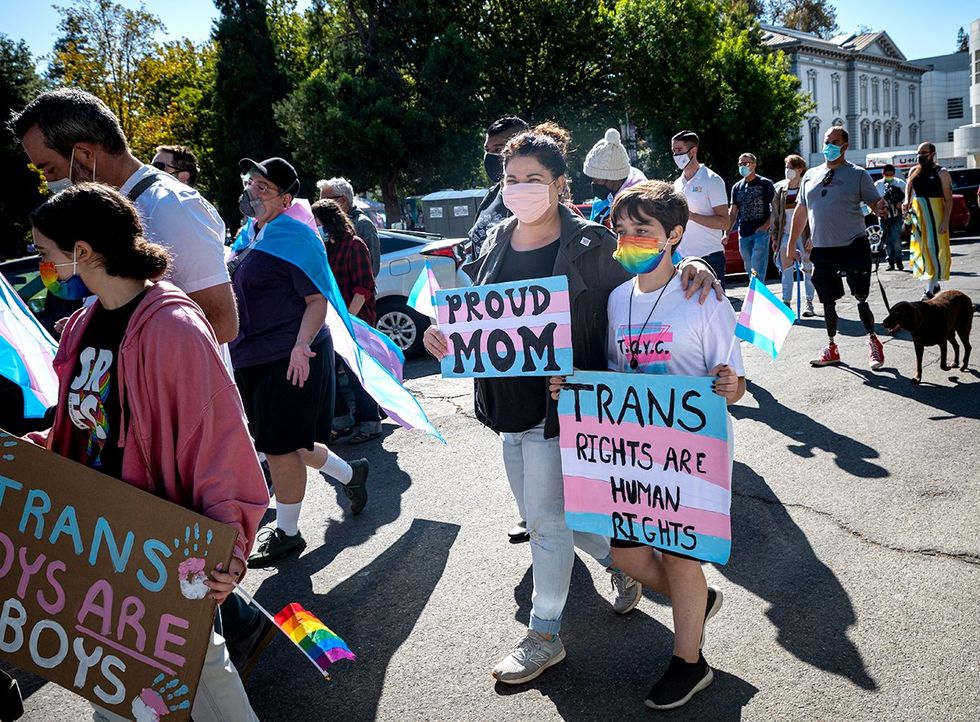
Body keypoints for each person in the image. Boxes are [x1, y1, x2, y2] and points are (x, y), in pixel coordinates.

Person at [423, 126, 721, 686]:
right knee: (558, 518)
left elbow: (645, 279)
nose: (519, 189)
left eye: (533, 179)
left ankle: (544, 635)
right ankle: (644, 577)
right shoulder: (492, 238)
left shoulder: (592, 243)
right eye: (511, 179)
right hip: (507, 407)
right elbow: (476, 316)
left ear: (560, 184)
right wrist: (445, 336)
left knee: (546, 524)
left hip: (571, 410)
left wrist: (688, 269)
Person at [27, 183, 269, 721]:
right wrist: (26, 460)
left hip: (158, 546)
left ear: (83, 251)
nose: (42, 262)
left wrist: (228, 547)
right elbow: (80, 430)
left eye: (46, 251)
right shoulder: (79, 326)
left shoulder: (174, 327)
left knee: (199, 673)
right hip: (96, 544)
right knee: (112, 686)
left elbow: (220, 443)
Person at [553, 179, 744, 710]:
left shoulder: (701, 295)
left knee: (681, 556)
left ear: (674, 235)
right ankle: (697, 601)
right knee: (627, 555)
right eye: (622, 230)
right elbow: (616, 378)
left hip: (689, 458)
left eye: (644, 230)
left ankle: (690, 662)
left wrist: (732, 386)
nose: (629, 239)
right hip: (632, 458)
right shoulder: (617, 298)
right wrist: (574, 389)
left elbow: (735, 380)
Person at [9, 89, 238, 345]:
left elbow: (219, 325)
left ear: (85, 154)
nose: (49, 182)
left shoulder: (171, 206)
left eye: (50, 169)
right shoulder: (105, 212)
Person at [231, 157, 369, 567]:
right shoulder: (250, 235)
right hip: (252, 355)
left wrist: (300, 346)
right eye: (250, 183)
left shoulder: (295, 235)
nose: (252, 193)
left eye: (263, 188)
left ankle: (288, 533)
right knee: (285, 441)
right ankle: (351, 474)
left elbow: (316, 300)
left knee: (279, 445)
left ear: (286, 197)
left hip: (293, 354)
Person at [786, 126, 887, 369]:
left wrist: (880, 206)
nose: (829, 145)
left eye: (835, 142)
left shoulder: (858, 174)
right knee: (827, 301)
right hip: (823, 249)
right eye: (826, 141)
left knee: (861, 298)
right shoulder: (810, 176)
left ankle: (874, 342)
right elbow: (801, 212)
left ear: (845, 146)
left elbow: (874, 201)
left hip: (853, 246)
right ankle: (831, 347)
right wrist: (790, 245)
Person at [311, 198, 382, 443]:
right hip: (334, 323)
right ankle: (342, 421)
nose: (315, 227)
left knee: (356, 375)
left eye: (317, 222)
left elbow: (364, 287)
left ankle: (370, 423)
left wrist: (349, 321)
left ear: (330, 221)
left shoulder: (355, 245)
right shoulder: (327, 248)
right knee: (329, 374)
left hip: (355, 321)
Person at [671, 131, 730, 287]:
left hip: (710, 258)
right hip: (683, 260)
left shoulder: (712, 180)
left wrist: (691, 216)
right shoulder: (677, 184)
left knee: (713, 309)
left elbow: (725, 222)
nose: (675, 154)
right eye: (673, 150)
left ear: (693, 151)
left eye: (679, 150)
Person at [467, 116, 530, 259]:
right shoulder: (491, 195)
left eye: (498, 149)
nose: (490, 156)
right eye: (487, 149)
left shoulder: (534, 197)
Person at [903, 143, 953, 299]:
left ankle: (931, 287)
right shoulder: (914, 171)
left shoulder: (942, 172)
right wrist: (906, 201)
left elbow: (949, 199)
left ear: (932, 153)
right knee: (923, 249)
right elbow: (908, 188)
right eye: (919, 152)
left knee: (934, 248)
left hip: (935, 214)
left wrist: (945, 220)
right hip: (919, 216)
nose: (921, 155)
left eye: (924, 152)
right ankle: (934, 282)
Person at [770, 154, 814, 316]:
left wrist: (813, 236)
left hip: (804, 235)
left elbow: (815, 213)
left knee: (807, 269)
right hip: (786, 235)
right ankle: (786, 304)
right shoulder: (781, 190)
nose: (788, 170)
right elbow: (775, 215)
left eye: (791, 167)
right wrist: (775, 236)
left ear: (800, 169)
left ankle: (809, 304)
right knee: (786, 270)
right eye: (786, 167)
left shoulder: (807, 188)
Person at [317, 177, 381, 278]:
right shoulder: (328, 225)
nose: (321, 205)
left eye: (326, 200)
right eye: (319, 200)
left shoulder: (362, 224)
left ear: (342, 200)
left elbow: (372, 267)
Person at [583, 127, 647, 227]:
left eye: (595, 179)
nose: (593, 183)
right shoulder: (602, 199)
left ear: (611, 179)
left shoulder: (638, 205)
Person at [729, 152, 775, 279]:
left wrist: (766, 225)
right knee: (749, 267)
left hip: (760, 232)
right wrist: (726, 233)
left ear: (754, 165)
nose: (742, 166)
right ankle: (755, 291)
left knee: (757, 266)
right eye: (740, 163)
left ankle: (757, 293)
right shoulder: (737, 187)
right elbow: (733, 212)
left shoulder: (765, 183)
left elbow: (776, 208)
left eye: (745, 163)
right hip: (743, 233)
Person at [874, 163, 907, 272]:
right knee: (887, 240)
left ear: (893, 173)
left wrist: (900, 203)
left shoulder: (900, 183)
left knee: (896, 239)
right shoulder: (877, 185)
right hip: (884, 217)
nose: (889, 176)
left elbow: (907, 197)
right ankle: (890, 263)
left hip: (896, 216)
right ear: (883, 174)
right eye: (886, 174)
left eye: (891, 174)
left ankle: (899, 262)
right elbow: (873, 200)